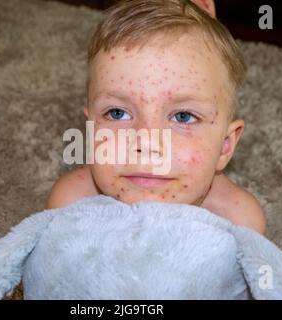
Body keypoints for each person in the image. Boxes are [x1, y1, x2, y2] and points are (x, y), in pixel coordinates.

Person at [46, 0, 266, 234]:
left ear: (225, 146)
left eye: (183, 117)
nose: (146, 142)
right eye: (117, 113)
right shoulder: (70, 206)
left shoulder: (238, 222)